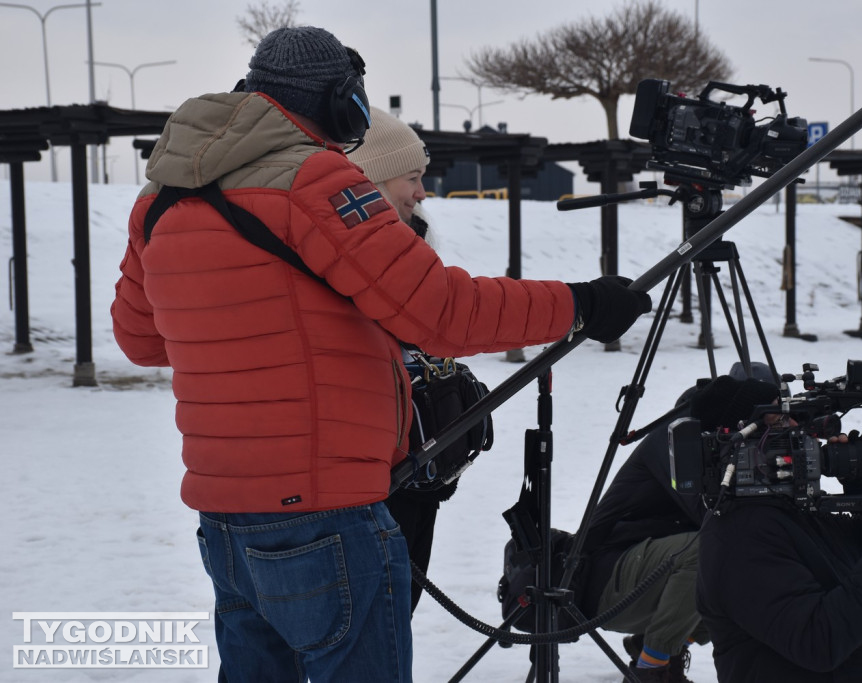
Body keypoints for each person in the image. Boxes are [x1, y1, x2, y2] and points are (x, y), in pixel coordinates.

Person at [110, 26, 651, 683]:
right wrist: (582, 302)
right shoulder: (317, 180)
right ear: (342, 103)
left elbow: (141, 338)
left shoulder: (161, 198)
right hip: (325, 513)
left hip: (225, 520)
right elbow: (443, 312)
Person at [694, 373, 862, 682]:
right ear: (740, 443)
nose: (800, 428)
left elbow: (855, 574)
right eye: (780, 421)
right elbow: (818, 642)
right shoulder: (740, 536)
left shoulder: (790, 505)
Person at [579, 363, 779, 683]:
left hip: (642, 572)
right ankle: (651, 669)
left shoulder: (720, 439)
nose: (770, 425)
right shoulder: (679, 436)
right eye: (766, 416)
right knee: (714, 549)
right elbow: (714, 517)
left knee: (747, 564)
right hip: (604, 580)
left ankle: (655, 646)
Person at [347, 106, 455, 612]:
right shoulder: (342, 255)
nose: (421, 192)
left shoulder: (416, 240)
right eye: (411, 178)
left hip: (418, 467)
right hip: (366, 478)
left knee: (398, 610)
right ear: (368, 181)